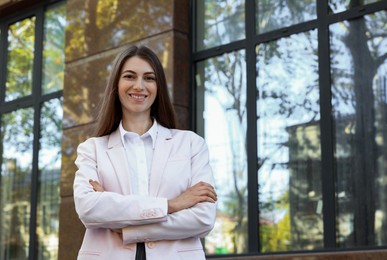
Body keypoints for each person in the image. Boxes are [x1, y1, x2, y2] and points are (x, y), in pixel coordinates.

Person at [73, 45, 217, 260]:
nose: (139, 86)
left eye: (149, 78)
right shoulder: (92, 149)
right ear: (117, 84)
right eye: (130, 76)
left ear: (158, 86)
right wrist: (172, 205)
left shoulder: (191, 144)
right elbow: (88, 209)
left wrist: (130, 229)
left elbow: (203, 217)